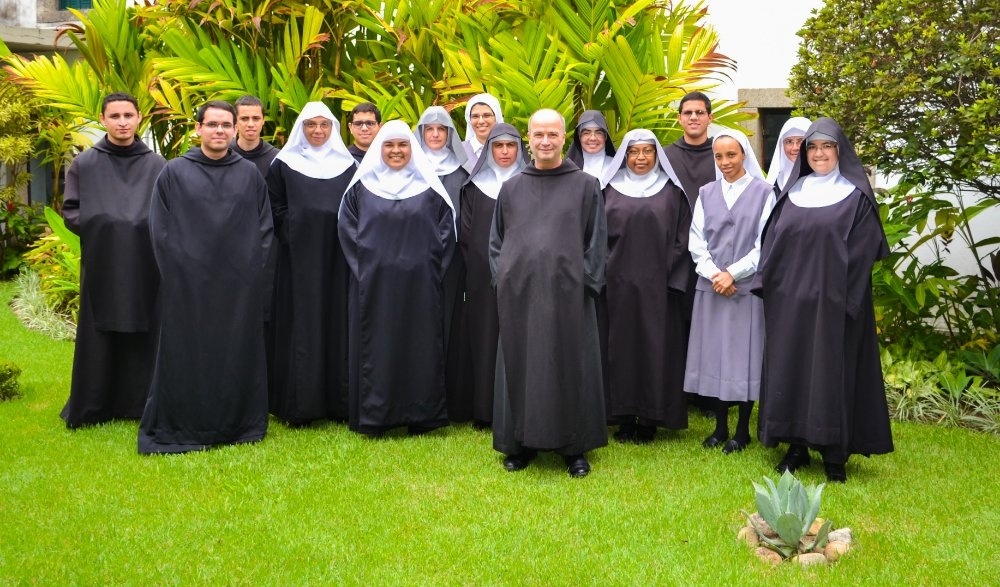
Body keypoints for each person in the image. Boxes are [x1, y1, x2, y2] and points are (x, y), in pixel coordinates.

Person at [751, 117, 893, 482]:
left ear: (839, 150)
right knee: (794, 371)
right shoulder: (792, 193)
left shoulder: (856, 196)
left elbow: (862, 254)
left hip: (834, 306)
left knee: (832, 376)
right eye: (812, 148)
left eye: (826, 147)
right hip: (792, 306)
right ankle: (796, 445)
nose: (818, 154)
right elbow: (773, 246)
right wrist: (774, 289)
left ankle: (834, 453)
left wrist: (843, 300)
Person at [138, 100, 274, 454]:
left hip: (237, 289)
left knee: (234, 353)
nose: (219, 131)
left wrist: (250, 275)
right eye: (212, 124)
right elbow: (160, 229)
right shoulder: (174, 173)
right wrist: (178, 275)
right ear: (197, 129)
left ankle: (239, 425)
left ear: (233, 130)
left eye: (225, 125)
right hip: (188, 287)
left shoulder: (249, 175)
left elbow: (263, 229)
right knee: (187, 354)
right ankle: (185, 425)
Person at [490, 109, 608, 477]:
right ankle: (519, 444)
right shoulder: (511, 188)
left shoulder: (586, 186)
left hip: (570, 297)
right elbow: (496, 243)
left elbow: (596, 242)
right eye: (538, 135)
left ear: (563, 137)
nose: (545, 142)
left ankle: (574, 449)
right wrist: (505, 280)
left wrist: (583, 282)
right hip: (520, 299)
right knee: (520, 365)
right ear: (529, 137)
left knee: (572, 365)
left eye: (552, 135)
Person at [338, 120, 456, 436]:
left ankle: (421, 416)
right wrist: (366, 271)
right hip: (373, 286)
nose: (396, 151)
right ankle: (376, 417)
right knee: (375, 349)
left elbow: (446, 234)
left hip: (420, 287)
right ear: (379, 148)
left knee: (420, 347)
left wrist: (430, 271)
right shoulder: (361, 189)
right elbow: (347, 231)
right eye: (389, 145)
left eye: (402, 145)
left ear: (412, 148)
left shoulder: (431, 190)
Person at [60, 92, 166, 428]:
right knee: (100, 327)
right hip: (104, 261)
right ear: (103, 120)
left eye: (128, 116)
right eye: (115, 116)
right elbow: (72, 211)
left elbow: (168, 211)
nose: (122, 122)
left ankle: (141, 401)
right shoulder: (85, 164)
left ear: (139, 119)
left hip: (145, 263)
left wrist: (138, 226)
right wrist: (111, 224)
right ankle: (96, 403)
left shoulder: (157, 165)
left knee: (145, 322)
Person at [598, 129, 691, 444]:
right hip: (616, 287)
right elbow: (596, 237)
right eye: (634, 152)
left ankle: (650, 417)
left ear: (656, 156)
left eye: (647, 152)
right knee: (618, 351)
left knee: (654, 350)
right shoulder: (608, 190)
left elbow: (683, 239)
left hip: (658, 289)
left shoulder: (671, 192)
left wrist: (670, 279)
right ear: (625, 155)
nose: (640, 158)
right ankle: (622, 416)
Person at [267, 101, 357, 425]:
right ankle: (300, 405)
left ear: (333, 128)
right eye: (310, 125)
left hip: (337, 259)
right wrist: (297, 227)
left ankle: (339, 403)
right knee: (301, 324)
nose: (318, 131)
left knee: (337, 323)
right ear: (301, 129)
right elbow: (273, 207)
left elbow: (355, 208)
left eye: (324, 125)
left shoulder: (347, 166)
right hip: (298, 261)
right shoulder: (283, 164)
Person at [685, 129, 774, 454]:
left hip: (745, 288)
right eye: (719, 156)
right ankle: (719, 427)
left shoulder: (765, 192)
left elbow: (764, 244)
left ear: (744, 154)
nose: (725, 162)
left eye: (731, 155)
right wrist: (713, 274)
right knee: (715, 356)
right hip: (711, 288)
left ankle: (741, 431)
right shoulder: (706, 192)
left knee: (744, 357)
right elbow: (697, 241)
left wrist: (732, 274)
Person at [458, 122, 527, 430]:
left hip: (524, 274)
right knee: (485, 337)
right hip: (482, 275)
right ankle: (485, 410)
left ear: (519, 149)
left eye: (510, 146)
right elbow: (467, 235)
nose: (504, 152)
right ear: (488, 150)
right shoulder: (474, 187)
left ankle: (518, 406)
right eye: (497, 146)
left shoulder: (530, 183)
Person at [414, 106, 473, 422]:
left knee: (449, 323)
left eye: (441, 130)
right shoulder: (410, 166)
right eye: (429, 130)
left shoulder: (462, 171)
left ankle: (448, 398)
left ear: (451, 135)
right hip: (413, 260)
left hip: (450, 261)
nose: (435, 135)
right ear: (420, 134)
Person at [664, 91, 719, 417]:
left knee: (711, 322)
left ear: (709, 117)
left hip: (716, 253)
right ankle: (681, 390)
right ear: (680, 118)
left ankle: (711, 395)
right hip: (675, 251)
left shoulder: (723, 153)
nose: (694, 117)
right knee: (679, 321)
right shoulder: (667, 155)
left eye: (700, 112)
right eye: (688, 112)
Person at [231, 95, 279, 177]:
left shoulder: (276, 158)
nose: (250, 124)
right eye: (244, 118)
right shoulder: (223, 153)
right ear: (235, 121)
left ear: (263, 120)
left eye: (256, 118)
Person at [566, 110, 617, 186]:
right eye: (586, 133)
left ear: (605, 137)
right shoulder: (568, 170)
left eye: (598, 133)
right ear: (579, 137)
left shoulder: (616, 167)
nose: (593, 138)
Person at [764, 116, 811, 193]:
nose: (795, 148)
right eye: (789, 142)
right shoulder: (774, 183)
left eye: (801, 141)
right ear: (782, 146)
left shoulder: (823, 178)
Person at [462, 93, 504, 166]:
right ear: (469, 120)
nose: (481, 121)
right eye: (475, 116)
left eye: (487, 115)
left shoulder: (511, 149)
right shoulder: (459, 151)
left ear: (496, 117)